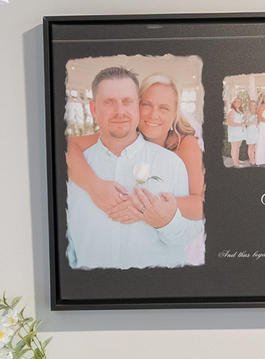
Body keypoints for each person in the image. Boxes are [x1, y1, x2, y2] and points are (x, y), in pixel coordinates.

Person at [65, 67, 197, 269]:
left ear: (136, 106)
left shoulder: (173, 162)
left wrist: (164, 220)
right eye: (109, 102)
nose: (119, 111)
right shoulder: (73, 164)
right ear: (93, 109)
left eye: (127, 101)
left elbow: (190, 232)